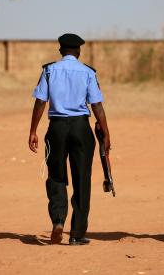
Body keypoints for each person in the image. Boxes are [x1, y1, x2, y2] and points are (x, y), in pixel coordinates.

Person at [28, 33, 111, 246]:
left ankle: (57, 220)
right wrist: (106, 132)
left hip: (56, 128)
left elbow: (40, 102)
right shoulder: (88, 72)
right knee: (82, 179)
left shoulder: (49, 70)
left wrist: (33, 130)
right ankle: (76, 234)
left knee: (56, 176)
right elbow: (97, 105)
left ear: (60, 51)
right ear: (79, 51)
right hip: (81, 128)